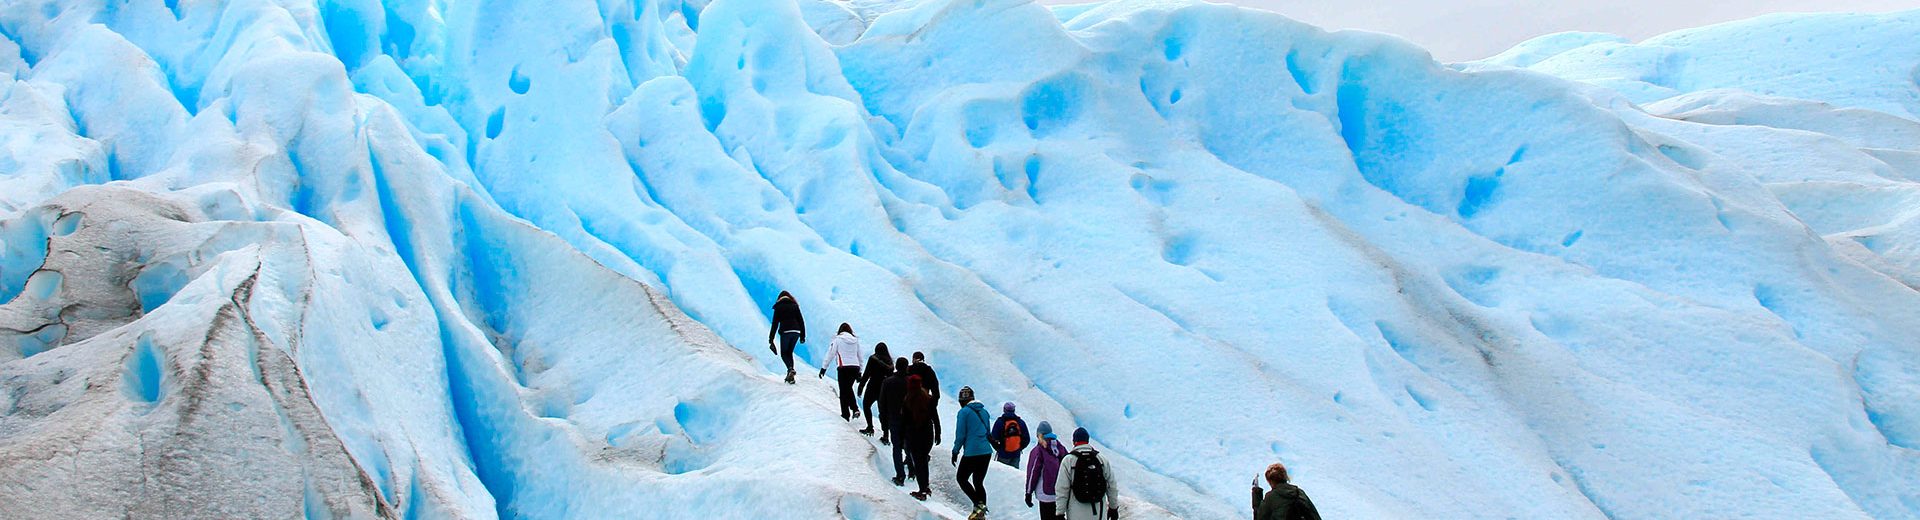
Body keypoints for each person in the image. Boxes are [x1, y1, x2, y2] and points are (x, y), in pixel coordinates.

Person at [951, 386, 995, 516]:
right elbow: (987, 431)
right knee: (978, 482)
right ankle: (980, 513)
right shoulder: (984, 412)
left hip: (972, 452)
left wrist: (955, 451)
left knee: (961, 478)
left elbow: (960, 435)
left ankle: (978, 505)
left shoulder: (963, 412)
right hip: (986, 451)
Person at [1057, 428, 1117, 520]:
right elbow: (1111, 486)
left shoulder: (1068, 460)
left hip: (1076, 513)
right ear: (1088, 440)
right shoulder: (1101, 459)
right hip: (1099, 512)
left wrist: (1060, 513)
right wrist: (1113, 508)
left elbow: (1062, 489)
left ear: (1074, 441)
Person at [902, 375, 937, 501]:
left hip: (914, 436)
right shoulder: (928, 398)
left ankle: (922, 490)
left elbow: (904, 421)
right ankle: (925, 487)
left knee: (918, 463)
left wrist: (902, 437)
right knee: (923, 462)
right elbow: (935, 417)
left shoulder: (908, 399)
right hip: (928, 435)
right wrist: (938, 433)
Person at [1024, 421, 1068, 520]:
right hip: (1060, 492)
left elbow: (1033, 473)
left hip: (1045, 493)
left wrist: (1028, 492)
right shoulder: (1061, 448)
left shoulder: (1038, 450)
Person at [819, 323, 863, 421]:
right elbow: (860, 356)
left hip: (844, 367)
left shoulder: (838, 340)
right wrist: (860, 371)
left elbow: (831, 353)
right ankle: (852, 410)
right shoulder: (855, 341)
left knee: (844, 390)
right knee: (847, 388)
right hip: (855, 367)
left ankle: (847, 413)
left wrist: (824, 368)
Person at [881, 357, 911, 485]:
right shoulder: (910, 382)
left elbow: (882, 401)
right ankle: (912, 469)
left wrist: (884, 417)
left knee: (897, 447)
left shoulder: (888, 382)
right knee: (909, 445)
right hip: (909, 419)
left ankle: (900, 475)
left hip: (894, 418)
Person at [1254, 462, 1321, 520]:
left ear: (1270, 481)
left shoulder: (1271, 497)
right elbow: (1314, 516)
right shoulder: (1299, 493)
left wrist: (1256, 494)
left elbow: (1259, 517)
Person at [767, 291, 806, 384]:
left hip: (786, 331)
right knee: (789, 352)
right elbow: (801, 321)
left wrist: (771, 339)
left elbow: (775, 324)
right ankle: (790, 374)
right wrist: (802, 335)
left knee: (784, 353)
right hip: (796, 331)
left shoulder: (778, 307)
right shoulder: (795, 306)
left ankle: (790, 369)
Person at [858, 342, 895, 439]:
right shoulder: (890, 363)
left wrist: (861, 386)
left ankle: (870, 427)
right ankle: (886, 435)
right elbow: (891, 377)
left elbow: (867, 373)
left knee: (866, 405)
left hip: (872, 386)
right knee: (883, 412)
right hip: (884, 389)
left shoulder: (873, 359)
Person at [909, 352, 942, 444]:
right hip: (926, 402)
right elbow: (936, 391)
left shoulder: (909, 370)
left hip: (911, 402)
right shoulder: (929, 371)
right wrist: (932, 404)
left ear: (913, 359)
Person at [991, 402, 1030, 468]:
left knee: (1003, 474)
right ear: (1014, 410)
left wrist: (999, 448)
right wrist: (1019, 448)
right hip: (1016, 454)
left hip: (1003, 454)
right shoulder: (1020, 422)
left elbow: (993, 437)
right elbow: (1027, 439)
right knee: (1014, 474)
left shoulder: (999, 422)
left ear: (1004, 410)